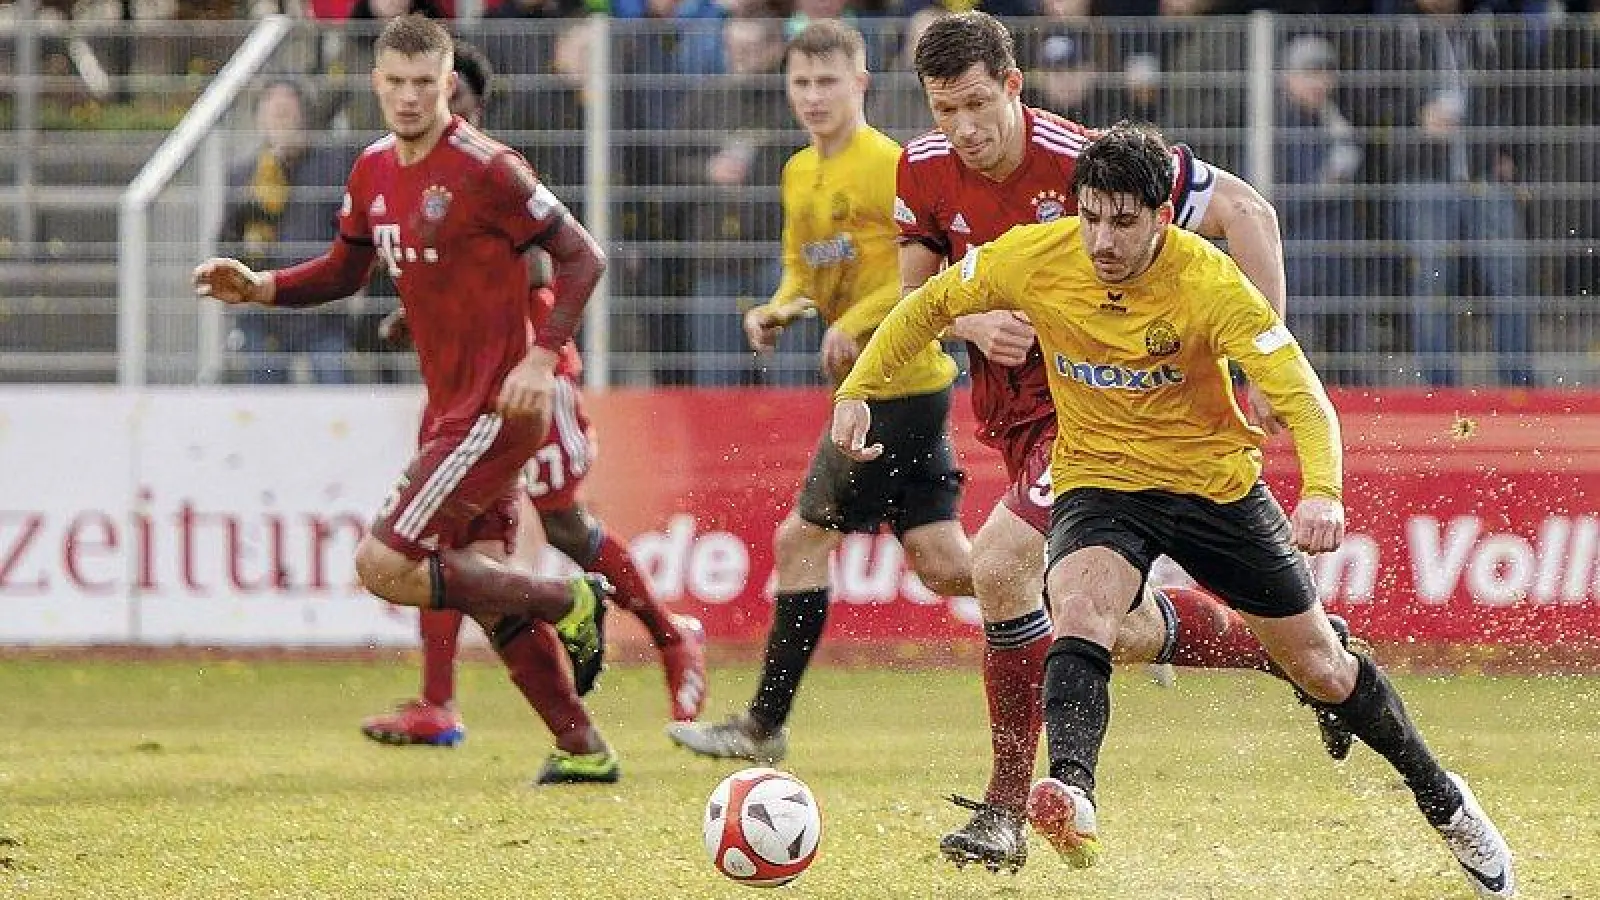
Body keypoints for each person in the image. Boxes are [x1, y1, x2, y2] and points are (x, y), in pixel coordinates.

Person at [836, 122, 1518, 900]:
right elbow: (925, 306)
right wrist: (857, 389)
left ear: (1163, 215)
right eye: (1091, 215)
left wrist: (1323, 489)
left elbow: (1305, 399)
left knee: (1323, 669)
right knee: (1081, 606)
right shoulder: (1036, 254)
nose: (1101, 239)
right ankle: (1072, 793)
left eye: (1123, 222)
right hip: (1099, 478)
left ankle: (1447, 802)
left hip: (1214, 489)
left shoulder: (1208, 283)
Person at [896, 11, 1355, 873]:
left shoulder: (1090, 163)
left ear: (1014, 86)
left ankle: (1005, 807)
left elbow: (1248, 211)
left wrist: (1259, 353)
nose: (962, 128)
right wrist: (973, 325)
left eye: (978, 105)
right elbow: (917, 300)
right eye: (943, 109)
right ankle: (1305, 657)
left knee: (997, 568)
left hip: (1097, 419)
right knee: (1109, 625)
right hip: (1012, 419)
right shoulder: (920, 170)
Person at [193, 15, 616, 783]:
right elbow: (343, 272)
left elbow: (584, 257)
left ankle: (570, 598)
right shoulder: (371, 171)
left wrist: (541, 355)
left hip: (497, 411)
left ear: (449, 82)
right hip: (451, 409)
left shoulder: (491, 168)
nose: (411, 97)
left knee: (383, 564)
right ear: (376, 83)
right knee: (485, 587)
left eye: (427, 83)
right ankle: (581, 747)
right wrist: (261, 287)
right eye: (396, 82)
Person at [360, 41, 708, 749]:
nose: (420, 109)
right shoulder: (402, 169)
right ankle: (444, 702)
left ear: (463, 100)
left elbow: (541, 268)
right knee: (450, 542)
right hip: (463, 384)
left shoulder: (490, 173)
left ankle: (673, 638)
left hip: (528, 381)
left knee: (561, 526)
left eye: (437, 94)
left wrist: (535, 351)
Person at [665, 20, 972, 765]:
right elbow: (804, 271)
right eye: (800, 83)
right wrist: (779, 309)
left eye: (828, 81)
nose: (813, 97)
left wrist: (862, 323)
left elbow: (920, 276)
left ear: (860, 84)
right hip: (896, 390)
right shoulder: (799, 172)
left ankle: (762, 727)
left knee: (799, 541)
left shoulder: (891, 167)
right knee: (943, 561)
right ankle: (1110, 599)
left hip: (893, 387)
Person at [218, 77, 355, 385]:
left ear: (304, 117)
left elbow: (351, 231)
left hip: (320, 304)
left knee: (334, 381)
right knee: (264, 391)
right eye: (273, 111)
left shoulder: (332, 166)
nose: (281, 118)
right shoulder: (244, 172)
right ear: (260, 120)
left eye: (288, 111)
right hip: (264, 308)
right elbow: (227, 238)